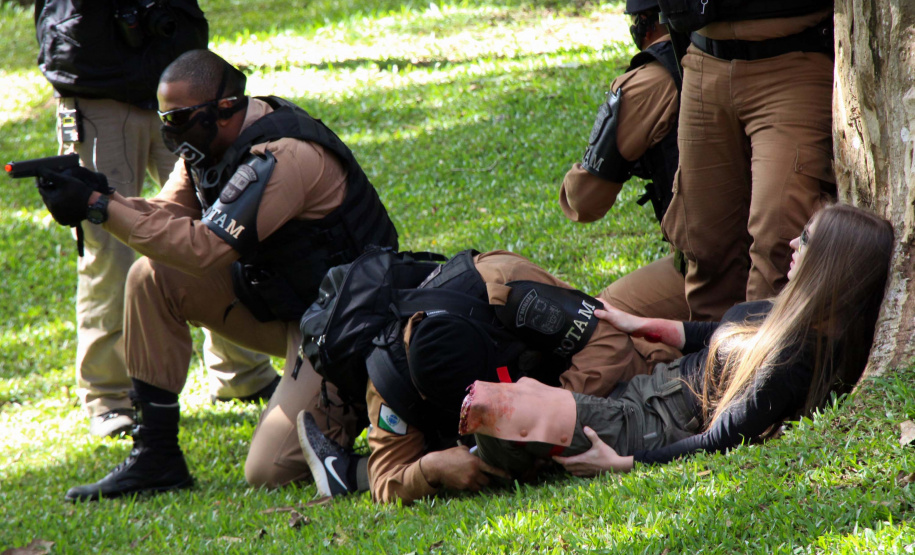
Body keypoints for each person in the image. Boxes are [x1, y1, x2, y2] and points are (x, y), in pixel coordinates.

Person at [34, 49, 399, 501]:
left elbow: (206, 249)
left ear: (225, 109)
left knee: (269, 470)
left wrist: (99, 209)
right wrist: (101, 195)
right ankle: (157, 456)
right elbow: (168, 215)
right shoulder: (211, 146)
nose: (170, 134)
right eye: (165, 120)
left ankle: (377, 463)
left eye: (180, 119)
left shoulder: (282, 158)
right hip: (290, 310)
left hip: (345, 331)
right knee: (152, 276)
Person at [462, 205, 893, 478]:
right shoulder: (792, 314)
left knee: (498, 410)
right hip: (648, 384)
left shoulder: (795, 357)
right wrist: (635, 324)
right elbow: (716, 332)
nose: (792, 243)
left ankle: (473, 463)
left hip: (646, 425)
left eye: (808, 240)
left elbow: (723, 439)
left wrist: (622, 465)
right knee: (524, 364)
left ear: (830, 266)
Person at [34, 0, 277, 437]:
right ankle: (109, 396)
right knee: (108, 245)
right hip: (95, 79)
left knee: (224, 221)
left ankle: (241, 373)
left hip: (180, 78)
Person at [282, 250, 663, 504]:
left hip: (586, 354)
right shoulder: (387, 381)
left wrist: (545, 413)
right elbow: (388, 478)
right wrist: (430, 470)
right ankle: (348, 471)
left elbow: (608, 337)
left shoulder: (500, 287)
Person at [658, 0, 837, 321]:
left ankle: (761, 362)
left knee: (780, 243)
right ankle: (709, 362)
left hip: (793, 59)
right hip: (703, 60)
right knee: (705, 243)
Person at [559, 0, 688, 361]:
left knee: (598, 320)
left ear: (645, 23)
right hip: (781, 256)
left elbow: (583, 202)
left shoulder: (649, 81)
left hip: (709, 273)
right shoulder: (735, 61)